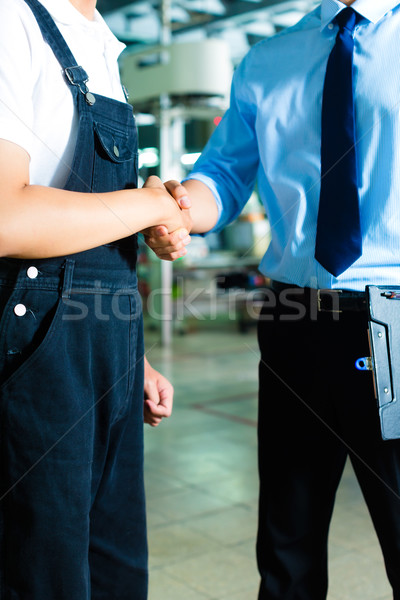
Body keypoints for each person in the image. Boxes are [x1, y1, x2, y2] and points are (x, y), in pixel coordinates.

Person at [145, 0, 400, 598]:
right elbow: (223, 176)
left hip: (394, 313)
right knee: (287, 546)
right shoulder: (268, 60)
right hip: (294, 320)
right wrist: (176, 210)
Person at [0, 0, 191, 598]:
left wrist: (128, 357)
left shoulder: (101, 44)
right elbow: (6, 215)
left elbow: (86, 234)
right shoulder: (14, 19)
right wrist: (153, 205)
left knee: (113, 569)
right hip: (35, 355)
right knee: (45, 574)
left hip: (102, 347)